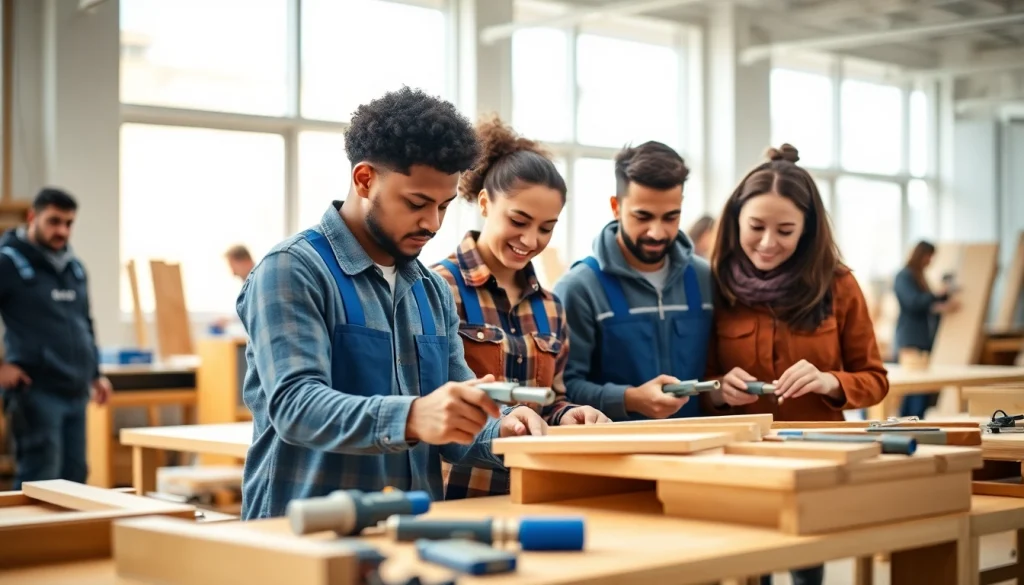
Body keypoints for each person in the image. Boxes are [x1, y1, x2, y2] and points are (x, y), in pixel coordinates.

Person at [235, 88, 546, 520]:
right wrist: (415, 416)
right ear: (365, 179)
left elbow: (452, 425)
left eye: (443, 205)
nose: (433, 223)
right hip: (301, 537)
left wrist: (504, 428)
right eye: (417, 203)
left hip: (409, 533)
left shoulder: (431, 290)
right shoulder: (292, 271)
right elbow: (296, 407)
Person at [704, 145, 888, 585]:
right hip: (741, 455)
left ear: (807, 230)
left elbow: (876, 380)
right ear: (735, 222)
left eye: (786, 230)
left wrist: (829, 381)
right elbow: (702, 376)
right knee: (752, 565)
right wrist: (716, 387)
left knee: (808, 564)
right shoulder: (712, 284)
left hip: (818, 455)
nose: (768, 243)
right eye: (756, 227)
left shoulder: (839, 285)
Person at [432, 116, 611, 499]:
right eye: (519, 220)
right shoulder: (437, 289)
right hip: (458, 498)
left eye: (546, 227)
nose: (531, 239)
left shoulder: (551, 307)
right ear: (484, 202)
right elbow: (429, 403)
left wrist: (569, 415)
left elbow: (552, 400)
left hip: (534, 494)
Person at [553, 141, 714, 422]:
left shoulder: (705, 279)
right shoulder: (580, 288)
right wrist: (630, 399)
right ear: (616, 207)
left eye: (671, 217)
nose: (657, 232)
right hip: (613, 459)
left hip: (696, 454)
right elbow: (562, 391)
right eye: (643, 216)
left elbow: (714, 370)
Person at [0, 187, 112, 489]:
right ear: (32, 217)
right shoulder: (7, 263)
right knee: (41, 481)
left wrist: (95, 374)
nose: (62, 230)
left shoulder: (74, 268)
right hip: (35, 393)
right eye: (54, 221)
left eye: (68, 223)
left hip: (75, 392)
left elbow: (85, 323)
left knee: (75, 479)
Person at [893, 240, 959, 418]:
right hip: (910, 339)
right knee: (914, 389)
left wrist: (940, 305)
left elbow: (924, 306)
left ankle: (914, 423)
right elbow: (913, 302)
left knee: (920, 390)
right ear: (921, 255)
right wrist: (937, 295)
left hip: (923, 339)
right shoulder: (904, 276)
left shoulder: (919, 277)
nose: (931, 261)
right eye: (929, 256)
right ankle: (910, 424)